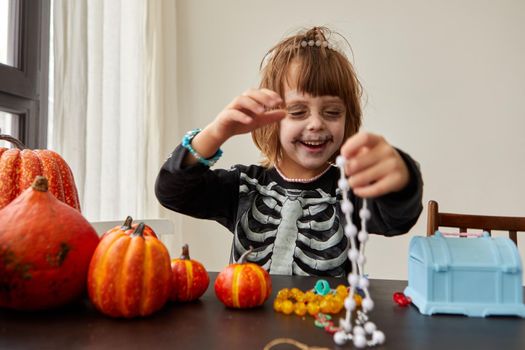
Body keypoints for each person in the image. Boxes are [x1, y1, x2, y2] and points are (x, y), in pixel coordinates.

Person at [155, 26, 423, 277]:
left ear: (347, 119)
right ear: (272, 118)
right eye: (297, 112)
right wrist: (217, 132)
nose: (316, 123)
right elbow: (172, 192)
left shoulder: (350, 191)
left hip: (327, 323)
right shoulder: (245, 187)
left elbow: (398, 219)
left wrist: (402, 175)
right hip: (246, 324)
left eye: (332, 112)